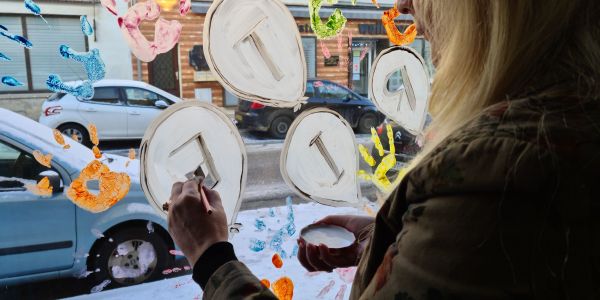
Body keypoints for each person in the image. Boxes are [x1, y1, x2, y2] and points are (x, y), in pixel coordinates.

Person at [167, 0, 599, 299]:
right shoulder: (569, 124)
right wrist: (386, 240)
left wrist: (211, 257)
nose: (406, 6)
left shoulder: (500, 175)